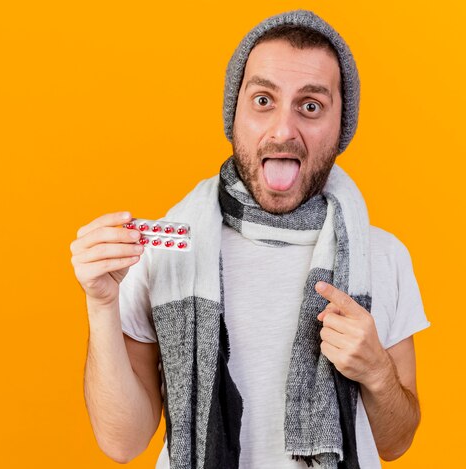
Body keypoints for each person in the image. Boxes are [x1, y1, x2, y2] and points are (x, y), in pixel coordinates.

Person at [70, 9, 430, 469]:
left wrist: (377, 372)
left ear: (342, 127)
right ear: (233, 114)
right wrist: (101, 305)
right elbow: (123, 442)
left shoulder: (380, 256)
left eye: (311, 106)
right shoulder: (162, 250)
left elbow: (396, 442)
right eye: (263, 100)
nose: (283, 130)